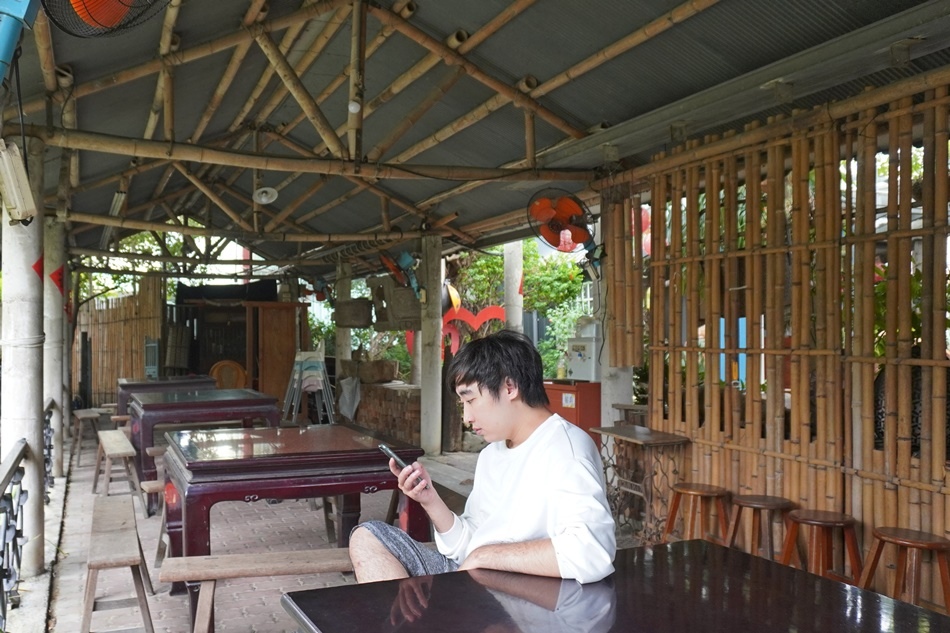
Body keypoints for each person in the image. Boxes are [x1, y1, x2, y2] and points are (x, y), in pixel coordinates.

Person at [348, 329, 616, 584]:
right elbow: (466, 547)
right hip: (474, 580)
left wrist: (485, 556)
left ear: (509, 387)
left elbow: (592, 552)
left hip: (522, 598)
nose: (466, 417)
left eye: (471, 400)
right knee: (367, 537)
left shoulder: (565, 450)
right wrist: (429, 500)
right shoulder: (493, 453)